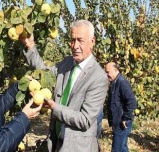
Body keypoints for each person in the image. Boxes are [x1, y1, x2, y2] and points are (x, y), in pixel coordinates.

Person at [20, 20, 109, 152]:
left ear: (93, 41)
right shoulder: (67, 63)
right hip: (57, 141)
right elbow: (45, 74)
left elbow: (84, 120)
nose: (75, 46)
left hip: (77, 147)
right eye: (73, 40)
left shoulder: (98, 77)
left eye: (80, 40)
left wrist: (54, 107)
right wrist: (30, 46)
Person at [105, 62, 137, 152]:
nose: (106, 75)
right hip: (118, 120)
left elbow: (132, 101)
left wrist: (125, 118)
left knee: (116, 149)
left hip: (121, 122)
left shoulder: (122, 82)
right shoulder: (114, 82)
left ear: (115, 70)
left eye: (108, 72)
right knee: (123, 148)